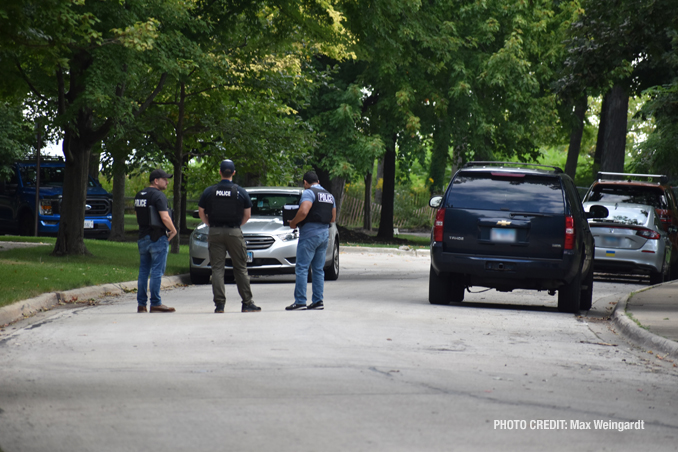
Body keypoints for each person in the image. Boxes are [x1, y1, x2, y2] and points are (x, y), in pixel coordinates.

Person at [198, 159, 261, 313]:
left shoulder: (209, 191)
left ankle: (219, 305)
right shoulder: (240, 192)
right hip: (234, 231)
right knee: (240, 268)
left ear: (220, 172)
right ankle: (247, 303)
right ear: (233, 172)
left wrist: (209, 224)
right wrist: (237, 225)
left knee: (217, 269)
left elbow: (201, 211)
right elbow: (248, 214)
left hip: (215, 231)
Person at [286, 171, 336, 311]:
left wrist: (293, 223)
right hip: (324, 235)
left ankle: (300, 302)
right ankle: (318, 301)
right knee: (318, 269)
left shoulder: (308, 193)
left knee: (302, 268)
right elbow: (332, 218)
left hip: (309, 235)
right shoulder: (329, 195)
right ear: (318, 181)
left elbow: (303, 212)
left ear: (305, 183)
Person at [134, 169, 178, 313]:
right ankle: (155, 303)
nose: (167, 181)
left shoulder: (139, 195)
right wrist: (173, 230)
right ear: (156, 181)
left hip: (142, 237)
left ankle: (141, 305)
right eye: (164, 179)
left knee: (143, 271)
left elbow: (138, 214)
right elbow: (165, 217)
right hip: (157, 237)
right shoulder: (159, 196)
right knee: (157, 272)